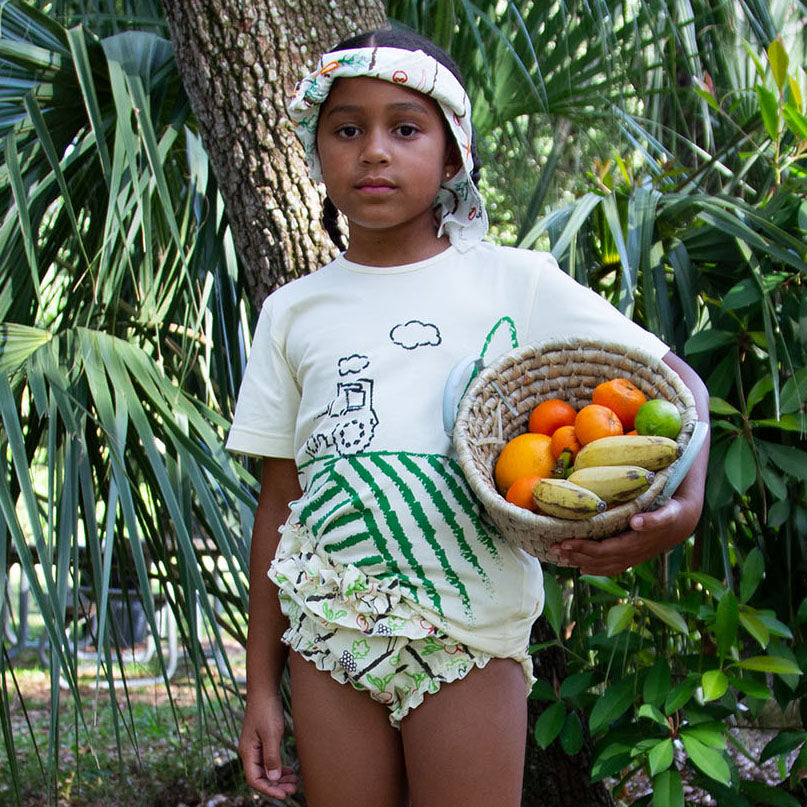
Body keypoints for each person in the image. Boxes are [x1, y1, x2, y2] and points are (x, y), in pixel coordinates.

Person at [226, 26, 710, 807]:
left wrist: (683, 505)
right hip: (327, 627)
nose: (373, 151)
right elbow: (279, 502)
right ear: (316, 154)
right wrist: (259, 685)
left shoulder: (514, 282)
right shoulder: (292, 311)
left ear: (452, 155)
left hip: (468, 629)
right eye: (346, 129)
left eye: (404, 128)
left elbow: (677, 383)